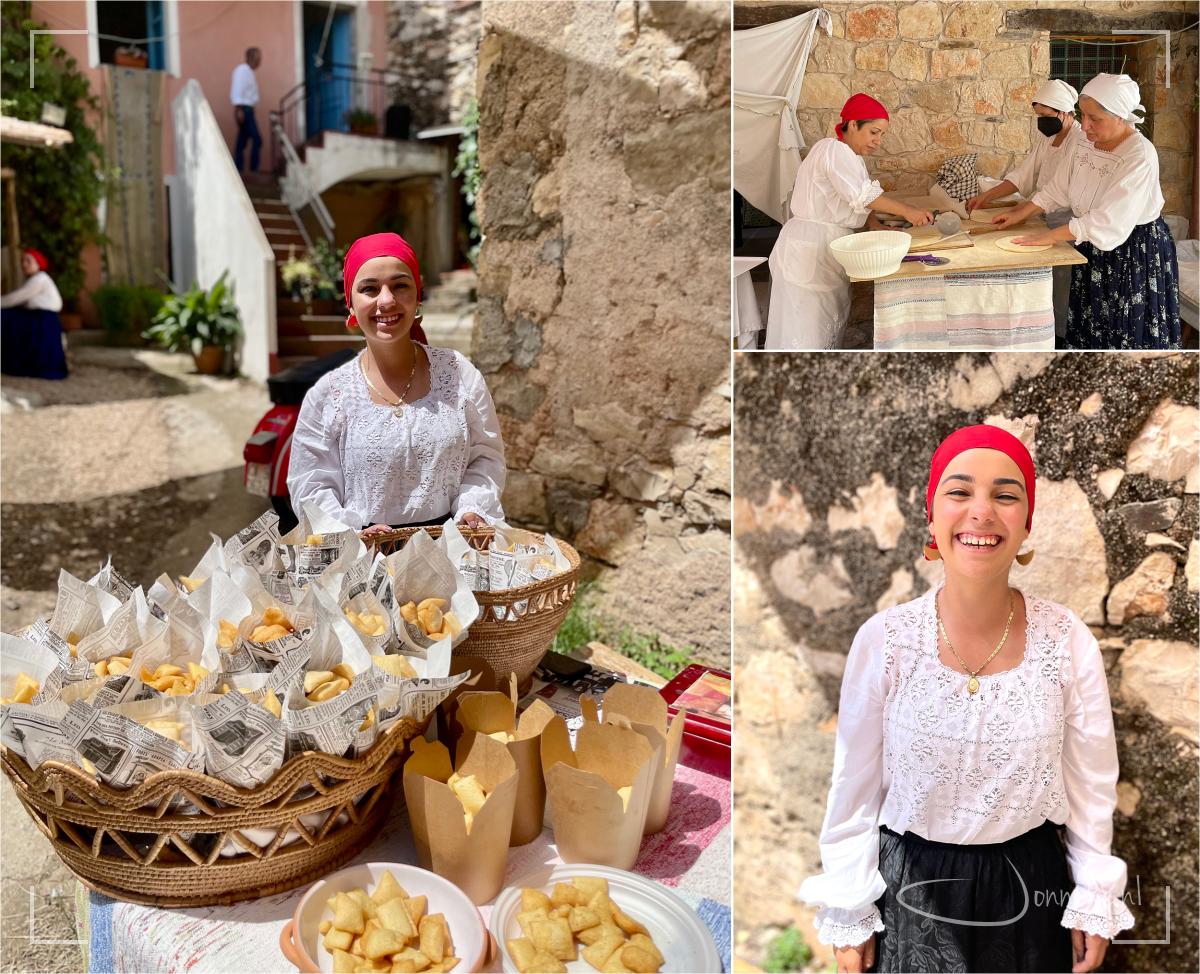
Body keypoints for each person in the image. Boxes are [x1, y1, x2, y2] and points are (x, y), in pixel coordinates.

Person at [799, 425, 1134, 974]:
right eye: (959, 492)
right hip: (912, 892)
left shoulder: (1066, 641)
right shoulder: (886, 642)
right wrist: (851, 906)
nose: (982, 511)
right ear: (932, 516)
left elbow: (1091, 784)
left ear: (1027, 523)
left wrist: (1093, 896)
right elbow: (854, 792)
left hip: (1032, 892)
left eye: (1005, 495)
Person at [288, 232, 505, 536]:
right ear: (350, 304)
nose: (386, 300)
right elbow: (310, 484)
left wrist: (472, 507)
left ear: (418, 295)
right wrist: (347, 533)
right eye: (369, 289)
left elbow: (485, 458)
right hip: (365, 560)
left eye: (400, 285)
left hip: (452, 554)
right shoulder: (329, 395)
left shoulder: (458, 375)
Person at [987, 74, 1179, 349]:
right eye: (1083, 115)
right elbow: (1059, 188)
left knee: (1124, 327)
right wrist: (1022, 212)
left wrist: (1049, 236)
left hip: (1133, 251)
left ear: (1121, 117)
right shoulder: (1085, 143)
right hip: (1091, 244)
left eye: (1095, 119)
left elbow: (1107, 220)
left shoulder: (1139, 155)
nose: (1085, 125)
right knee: (1091, 322)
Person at [765, 93, 935, 350]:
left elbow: (856, 199)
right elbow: (863, 196)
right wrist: (909, 211)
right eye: (874, 132)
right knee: (801, 332)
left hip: (826, 249)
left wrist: (875, 225)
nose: (878, 141)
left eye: (882, 135)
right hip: (808, 249)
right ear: (853, 124)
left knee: (824, 330)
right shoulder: (833, 149)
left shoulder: (851, 158)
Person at [965, 80, 1086, 333]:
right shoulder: (1049, 139)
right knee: (1044, 284)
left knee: (1063, 284)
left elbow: (1058, 193)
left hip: (1069, 224)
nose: (1041, 121)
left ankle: (1058, 336)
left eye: (1045, 115)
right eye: (1038, 116)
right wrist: (986, 198)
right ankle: (1038, 329)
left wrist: (1019, 212)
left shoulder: (1080, 141)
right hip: (1042, 217)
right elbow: (1023, 175)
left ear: (1064, 112)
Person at [0, 248, 68, 380]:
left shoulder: (40, 279)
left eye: (28, 261)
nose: (24, 264)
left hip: (43, 319)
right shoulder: (35, 279)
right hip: (37, 317)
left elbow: (16, 298)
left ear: (38, 263)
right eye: (23, 261)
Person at [231, 47, 263, 174]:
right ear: (251, 57)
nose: (260, 61)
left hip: (247, 110)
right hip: (244, 110)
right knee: (257, 139)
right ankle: (252, 170)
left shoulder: (249, 72)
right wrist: (239, 110)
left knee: (242, 140)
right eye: (258, 57)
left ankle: (238, 167)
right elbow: (237, 90)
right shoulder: (242, 71)